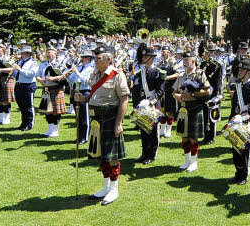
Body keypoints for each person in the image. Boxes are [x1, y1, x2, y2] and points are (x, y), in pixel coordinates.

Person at [74, 45, 130, 205]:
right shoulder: (95, 74)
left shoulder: (117, 75)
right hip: (96, 120)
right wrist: (83, 99)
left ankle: (114, 189)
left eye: (98, 59)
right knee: (100, 154)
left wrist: (119, 123)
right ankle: (106, 187)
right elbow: (93, 95)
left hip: (110, 119)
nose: (95, 61)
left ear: (108, 59)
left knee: (111, 157)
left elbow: (124, 100)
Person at [173, 51, 213, 173]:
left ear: (193, 61)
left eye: (187, 60)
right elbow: (174, 91)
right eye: (183, 60)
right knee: (184, 137)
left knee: (193, 137)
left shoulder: (200, 74)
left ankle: (194, 162)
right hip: (183, 109)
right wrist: (177, 96)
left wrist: (192, 93)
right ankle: (186, 161)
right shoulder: (181, 76)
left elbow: (208, 91)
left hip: (195, 108)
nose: (184, 62)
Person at [225, 56, 250, 184]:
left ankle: (244, 176)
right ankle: (238, 173)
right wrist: (232, 119)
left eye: (242, 70)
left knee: (245, 151)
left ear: (249, 72)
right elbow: (234, 105)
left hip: (246, 123)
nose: (239, 71)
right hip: (235, 120)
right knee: (235, 149)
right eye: (239, 69)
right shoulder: (237, 85)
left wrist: (242, 117)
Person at [132, 44, 165, 164]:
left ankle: (151, 155)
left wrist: (150, 101)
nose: (143, 58)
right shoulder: (139, 73)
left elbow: (160, 91)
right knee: (143, 130)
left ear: (151, 57)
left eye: (146, 56)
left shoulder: (158, 72)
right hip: (141, 105)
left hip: (152, 105)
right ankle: (144, 153)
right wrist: (137, 105)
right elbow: (135, 90)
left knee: (152, 131)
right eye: (143, 55)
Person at [38, 45, 68, 137]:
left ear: (55, 54)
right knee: (48, 110)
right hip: (46, 89)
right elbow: (37, 74)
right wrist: (40, 81)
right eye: (47, 52)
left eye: (50, 52)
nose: (48, 54)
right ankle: (50, 129)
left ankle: (55, 130)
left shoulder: (60, 64)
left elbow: (65, 75)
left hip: (56, 88)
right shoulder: (43, 64)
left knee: (55, 111)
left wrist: (53, 78)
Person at [11, 45, 41, 130]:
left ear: (28, 53)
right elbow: (17, 73)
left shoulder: (33, 62)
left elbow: (31, 74)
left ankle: (29, 124)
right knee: (21, 105)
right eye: (21, 53)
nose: (21, 54)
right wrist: (12, 72)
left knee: (28, 106)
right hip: (19, 84)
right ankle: (23, 123)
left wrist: (20, 69)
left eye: (23, 53)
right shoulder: (20, 62)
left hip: (28, 85)